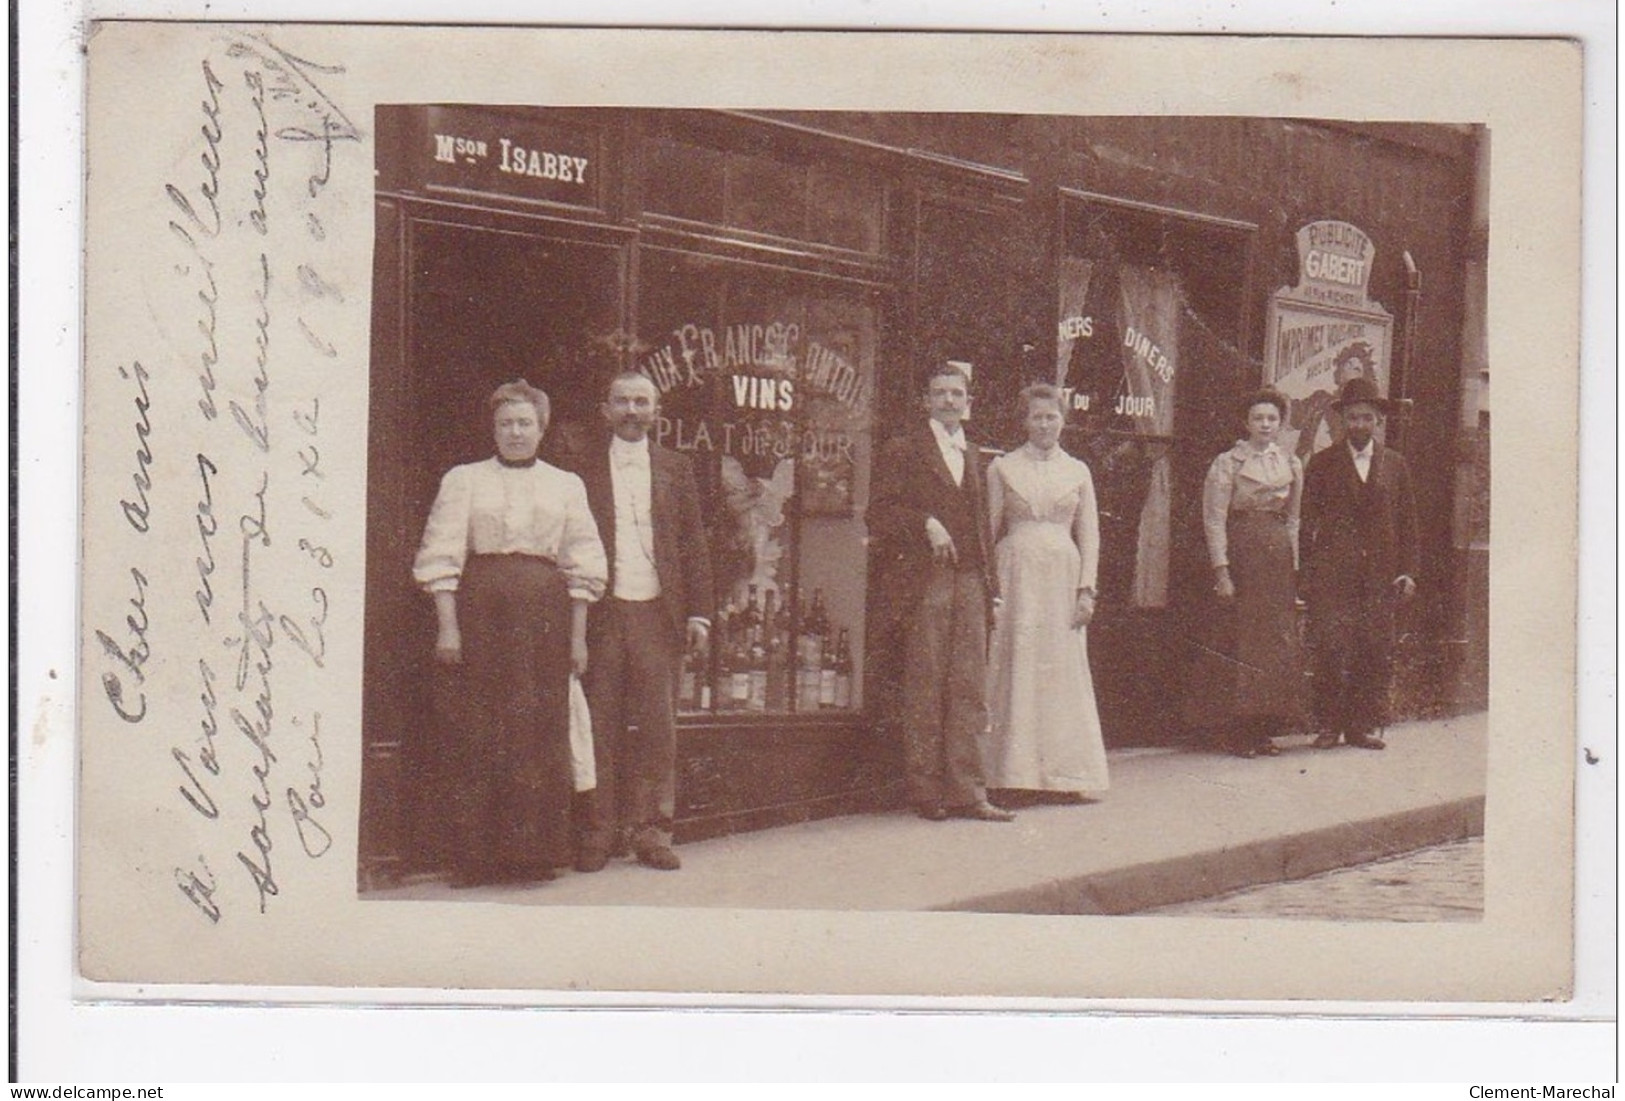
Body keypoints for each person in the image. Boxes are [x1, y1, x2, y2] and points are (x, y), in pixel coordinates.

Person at [412, 380, 608, 888]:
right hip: (481, 613)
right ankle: (476, 857)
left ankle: (534, 854)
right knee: (479, 731)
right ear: (493, 429)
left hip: (545, 617)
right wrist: (448, 627)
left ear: (542, 429)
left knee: (537, 731)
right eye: (506, 424)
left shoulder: (567, 486)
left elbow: (583, 562)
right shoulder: (464, 480)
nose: (515, 433)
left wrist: (578, 638)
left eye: (525, 423)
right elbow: (442, 553)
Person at [576, 371, 714, 871]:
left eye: (641, 402)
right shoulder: (582, 469)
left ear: (657, 411)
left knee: (658, 729)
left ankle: (653, 832)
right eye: (622, 402)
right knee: (600, 724)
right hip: (604, 614)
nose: (632, 411)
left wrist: (699, 611)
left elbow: (694, 544)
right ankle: (598, 832)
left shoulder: (676, 467)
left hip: (660, 614)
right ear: (606, 409)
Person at [867, 361, 1014, 823]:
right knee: (926, 684)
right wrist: (926, 524)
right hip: (925, 580)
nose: (949, 401)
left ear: (968, 401)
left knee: (970, 687)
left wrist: (991, 587)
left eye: (957, 393)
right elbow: (880, 512)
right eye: (940, 393)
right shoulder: (905, 449)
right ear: (925, 400)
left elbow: (981, 527)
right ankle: (926, 791)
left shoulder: (971, 452)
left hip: (970, 579)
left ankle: (969, 792)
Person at [983, 383, 1109, 800]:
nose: (1044, 424)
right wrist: (991, 589)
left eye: (1051, 416)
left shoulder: (1078, 471)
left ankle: (1062, 775)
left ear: (1063, 421)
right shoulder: (1003, 468)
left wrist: (1086, 590)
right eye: (1036, 417)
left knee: (1059, 667)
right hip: (1016, 573)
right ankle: (1010, 773)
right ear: (1024, 421)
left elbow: (1090, 534)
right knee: (1015, 662)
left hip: (1062, 577)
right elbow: (987, 530)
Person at [1300, 376, 1420, 751]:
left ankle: (1359, 726)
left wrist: (1408, 571)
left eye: (1366, 418)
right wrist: (1308, 573)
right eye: (1352, 418)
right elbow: (1306, 523)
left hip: (1380, 577)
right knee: (1332, 649)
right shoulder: (1322, 464)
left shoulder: (1395, 465)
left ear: (1377, 421)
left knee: (1372, 650)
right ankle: (1328, 726)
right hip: (1334, 575)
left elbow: (1408, 524)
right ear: (1342, 421)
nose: (1359, 426)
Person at [1187, 387, 1307, 757]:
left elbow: (1293, 519)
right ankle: (1235, 730)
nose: (1266, 425)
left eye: (1272, 418)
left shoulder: (1290, 463)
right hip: (1242, 552)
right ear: (1246, 422)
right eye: (1258, 418)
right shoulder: (1229, 463)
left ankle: (1263, 728)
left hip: (1277, 559)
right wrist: (1222, 570)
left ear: (1280, 422)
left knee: (1274, 643)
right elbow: (1214, 519)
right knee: (1241, 639)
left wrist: (1295, 568)